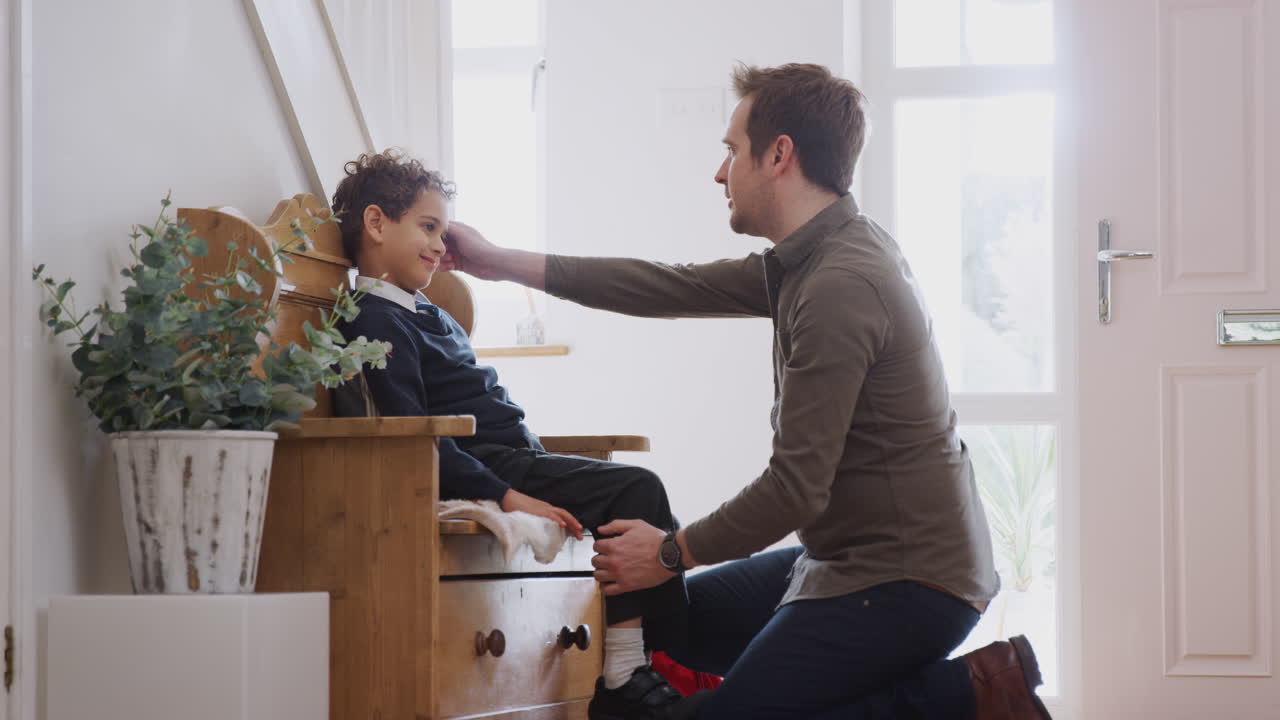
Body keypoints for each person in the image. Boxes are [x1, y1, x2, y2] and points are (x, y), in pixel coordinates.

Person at [441, 63, 1053, 720]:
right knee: (677, 628)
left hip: (909, 580)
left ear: (779, 155)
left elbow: (795, 488)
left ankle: (972, 694)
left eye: (731, 150)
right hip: (842, 558)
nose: (719, 171)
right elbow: (665, 286)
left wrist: (671, 551)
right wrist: (497, 262)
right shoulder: (808, 259)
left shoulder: (840, 285)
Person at [330, 149, 698, 719]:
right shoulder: (373, 321)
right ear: (376, 224)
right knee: (636, 489)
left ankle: (658, 654)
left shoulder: (423, 310)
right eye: (427, 227)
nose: (438, 244)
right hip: (487, 464)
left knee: (637, 498)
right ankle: (633, 669)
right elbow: (410, 437)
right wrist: (507, 495)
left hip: (511, 453)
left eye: (443, 230)